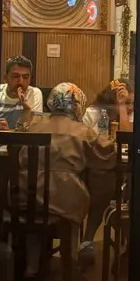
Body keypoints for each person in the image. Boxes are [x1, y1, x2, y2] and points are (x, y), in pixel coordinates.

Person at [21, 83, 115, 271]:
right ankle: (69, 264)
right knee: (81, 194)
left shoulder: (34, 126)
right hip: (64, 199)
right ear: (79, 104)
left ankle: (31, 266)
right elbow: (106, 156)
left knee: (33, 219)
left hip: (26, 196)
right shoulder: (82, 131)